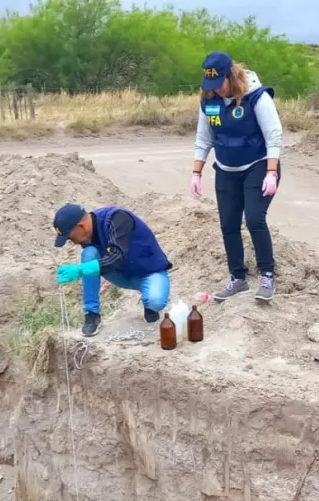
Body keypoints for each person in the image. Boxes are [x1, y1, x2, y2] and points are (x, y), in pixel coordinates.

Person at [190, 50, 284, 302]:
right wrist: (196, 172)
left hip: (259, 165)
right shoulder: (209, 101)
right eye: (210, 85)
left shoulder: (256, 97)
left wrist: (271, 172)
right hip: (226, 169)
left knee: (254, 218)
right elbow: (204, 138)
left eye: (219, 83)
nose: (216, 90)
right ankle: (237, 278)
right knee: (228, 224)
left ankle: (267, 274)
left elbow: (273, 135)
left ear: (231, 76)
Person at [52, 202, 173, 338]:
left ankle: (148, 305)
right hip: (121, 274)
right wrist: (84, 269)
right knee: (89, 253)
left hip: (148, 272)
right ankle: (92, 314)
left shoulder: (117, 218)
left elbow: (117, 257)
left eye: (70, 237)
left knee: (155, 301)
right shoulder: (88, 236)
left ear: (81, 226)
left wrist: (80, 270)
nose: (73, 242)